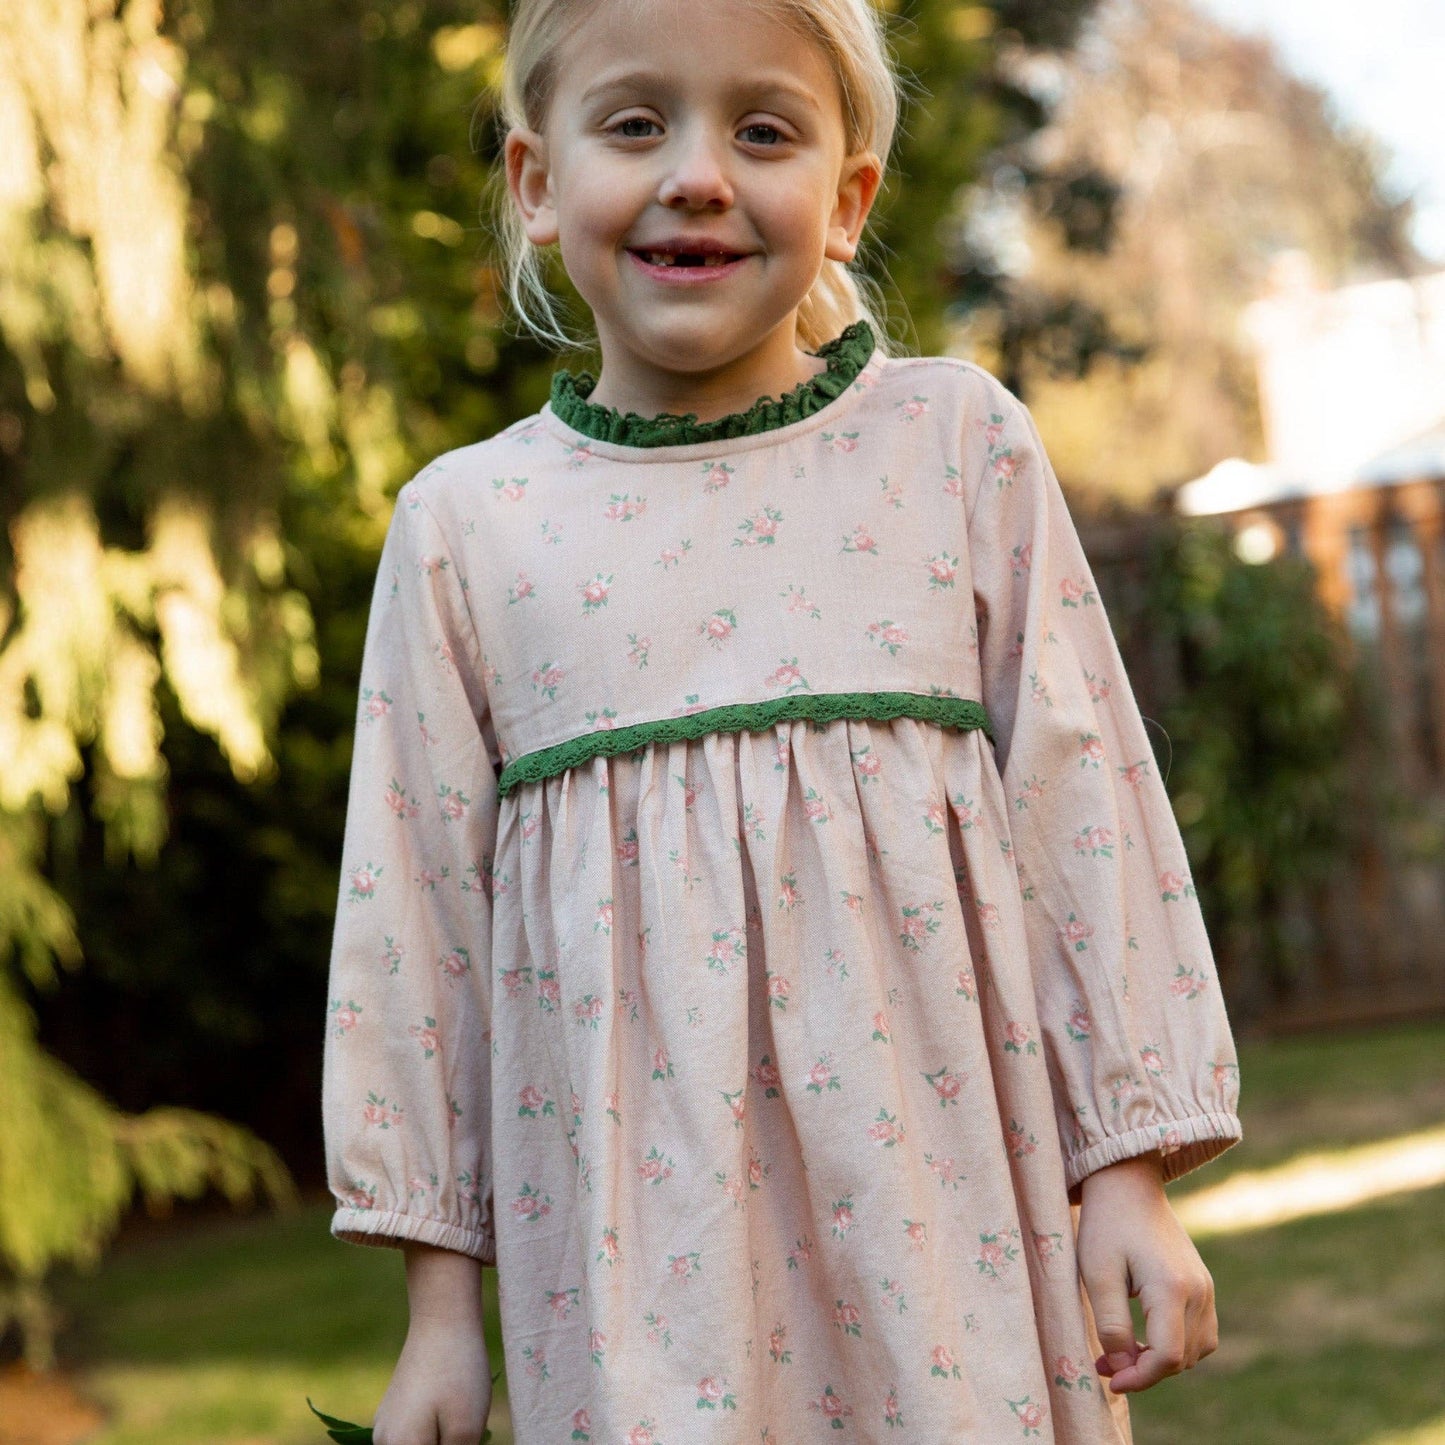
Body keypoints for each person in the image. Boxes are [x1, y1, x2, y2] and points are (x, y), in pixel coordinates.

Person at [320, 0, 1244, 1440]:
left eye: (763, 129)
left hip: (954, 1257)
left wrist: (1124, 1169)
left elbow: (1087, 808)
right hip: (633, 1291)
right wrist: (442, 1316)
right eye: (635, 123)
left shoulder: (954, 449)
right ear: (536, 180)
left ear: (847, 197)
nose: (698, 173)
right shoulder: (465, 528)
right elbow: (414, 930)